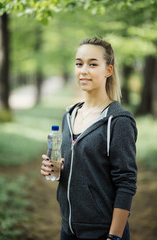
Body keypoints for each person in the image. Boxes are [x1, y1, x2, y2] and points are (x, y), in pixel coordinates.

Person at [41, 37, 138, 240]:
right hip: (68, 230)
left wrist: (114, 237)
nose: (83, 70)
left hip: (103, 233)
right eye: (79, 63)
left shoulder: (118, 121)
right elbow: (81, 167)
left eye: (93, 64)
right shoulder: (69, 115)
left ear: (108, 70)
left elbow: (126, 183)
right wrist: (56, 170)